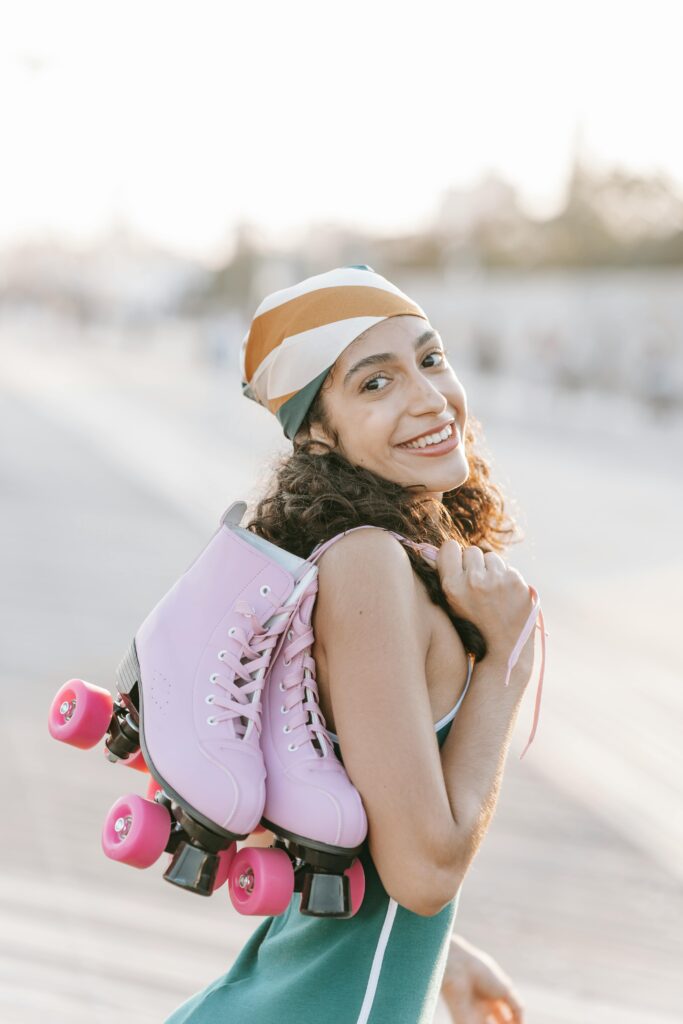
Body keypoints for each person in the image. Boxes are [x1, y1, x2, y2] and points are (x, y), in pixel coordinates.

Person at [166, 265, 543, 1024]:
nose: (429, 397)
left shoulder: (378, 555)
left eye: (429, 359)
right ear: (315, 430)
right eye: (375, 384)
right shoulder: (365, 562)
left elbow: (358, 831)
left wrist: (438, 952)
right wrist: (508, 658)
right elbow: (423, 872)